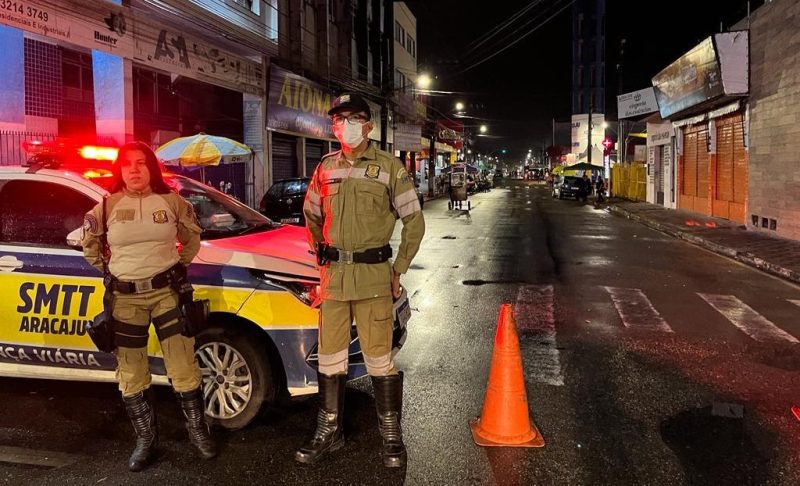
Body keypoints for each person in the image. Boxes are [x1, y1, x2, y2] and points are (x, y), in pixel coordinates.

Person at [298, 93, 425, 468]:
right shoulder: (325, 167)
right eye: (338, 120)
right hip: (335, 280)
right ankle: (329, 431)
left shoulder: (389, 167)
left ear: (368, 125)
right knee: (331, 359)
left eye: (352, 119)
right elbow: (311, 215)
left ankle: (391, 434)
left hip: (374, 279)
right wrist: (321, 256)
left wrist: (398, 269)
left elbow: (414, 221)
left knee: (380, 360)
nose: (344, 126)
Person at [82, 142, 216, 472]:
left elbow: (193, 238)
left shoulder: (173, 202)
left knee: (182, 364)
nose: (135, 169)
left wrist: (175, 267)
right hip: (125, 301)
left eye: (141, 163)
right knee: (131, 371)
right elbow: (90, 246)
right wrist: (116, 274)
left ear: (151, 168)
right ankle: (145, 441)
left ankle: (198, 433)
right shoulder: (105, 205)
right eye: (128, 164)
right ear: (120, 170)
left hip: (166, 294)